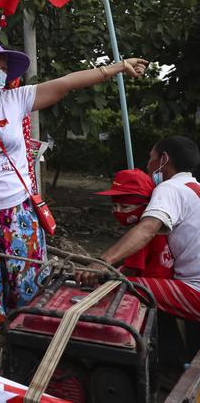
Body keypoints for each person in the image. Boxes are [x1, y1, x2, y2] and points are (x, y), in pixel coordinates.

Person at [0, 42, 148, 359]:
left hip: (17, 212)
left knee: (26, 288)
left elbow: (68, 82)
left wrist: (119, 66)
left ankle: (23, 360)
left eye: (1, 66)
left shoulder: (16, 99)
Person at [77, 136, 200, 323]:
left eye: (151, 158)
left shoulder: (170, 188)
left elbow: (147, 229)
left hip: (194, 291)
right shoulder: (194, 188)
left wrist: (102, 262)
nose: (148, 166)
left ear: (163, 159)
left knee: (112, 286)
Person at [95, 169, 172, 278]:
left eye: (125, 207)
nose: (118, 211)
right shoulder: (160, 226)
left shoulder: (140, 235)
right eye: (114, 206)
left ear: (145, 206)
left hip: (148, 282)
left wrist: (105, 278)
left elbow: (130, 271)